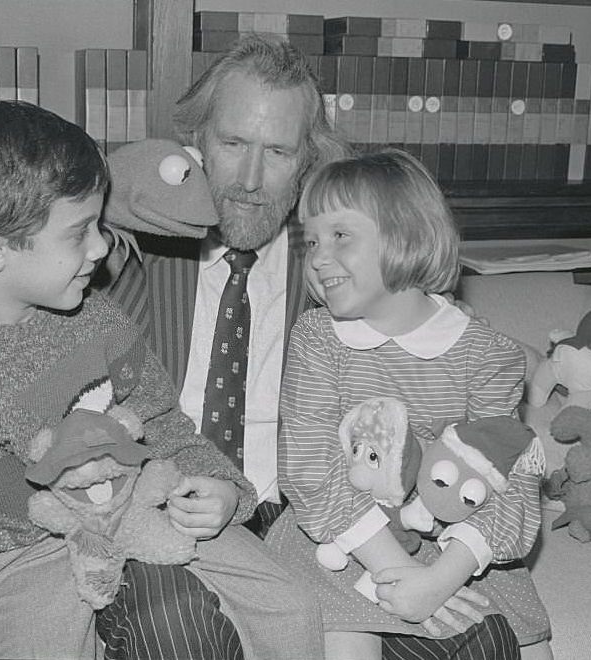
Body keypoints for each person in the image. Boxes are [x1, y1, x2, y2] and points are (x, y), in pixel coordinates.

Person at [0, 99, 321, 659]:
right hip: (23, 548)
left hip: (143, 505)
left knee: (293, 603)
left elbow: (164, 423)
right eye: (79, 233)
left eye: (99, 224)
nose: (102, 247)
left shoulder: (98, 321)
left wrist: (225, 490)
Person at [100, 33, 523, 660]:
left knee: (480, 640)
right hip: (177, 509)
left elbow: (442, 338)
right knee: (177, 629)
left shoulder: (336, 267)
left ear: (308, 163)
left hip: (312, 517)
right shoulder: (133, 253)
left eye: (277, 151)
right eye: (232, 143)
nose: (247, 180)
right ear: (196, 144)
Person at [267, 148, 553, 659]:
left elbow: (507, 481)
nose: (316, 257)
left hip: (451, 540)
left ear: (408, 237)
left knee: (526, 646)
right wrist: (392, 568)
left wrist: (442, 577)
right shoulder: (318, 339)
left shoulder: (487, 355)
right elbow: (309, 464)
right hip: (346, 534)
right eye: (310, 240)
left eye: (339, 236)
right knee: (346, 640)